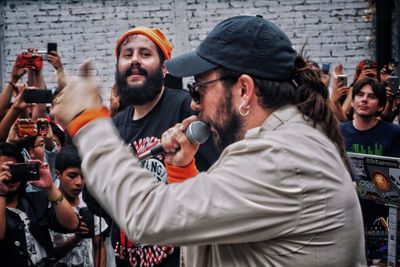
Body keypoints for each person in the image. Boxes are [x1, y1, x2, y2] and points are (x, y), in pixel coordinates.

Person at [52, 15, 366, 266]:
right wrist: (183, 170)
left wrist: (88, 121)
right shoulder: (286, 143)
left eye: (200, 89)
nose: (195, 104)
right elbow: (214, 223)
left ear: (244, 90)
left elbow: (146, 217)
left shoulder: (282, 158)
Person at [83, 27, 218, 267]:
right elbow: (97, 199)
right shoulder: (114, 126)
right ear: (118, 69)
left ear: (164, 68)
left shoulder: (186, 109)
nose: (134, 60)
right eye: (127, 55)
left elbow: (220, 177)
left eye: (145, 54)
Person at [339, 78, 400, 262]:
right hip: (347, 215)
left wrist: (359, 186)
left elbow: (395, 184)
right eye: (360, 95)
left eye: (371, 96)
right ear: (353, 100)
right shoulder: (339, 131)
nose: (364, 100)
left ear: (381, 106)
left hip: (381, 219)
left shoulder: (393, 133)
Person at [0, 142, 79, 266]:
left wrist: (50, 187)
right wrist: (1, 193)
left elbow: (72, 224)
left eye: (14, 169)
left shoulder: (35, 201)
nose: (9, 175)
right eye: (3, 170)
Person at [51, 145, 108, 267]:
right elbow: (47, 254)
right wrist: (77, 238)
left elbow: (99, 247)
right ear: (58, 174)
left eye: (83, 176)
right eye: (72, 176)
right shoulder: (48, 203)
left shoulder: (90, 201)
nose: (79, 182)